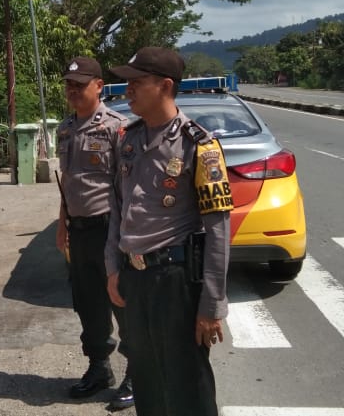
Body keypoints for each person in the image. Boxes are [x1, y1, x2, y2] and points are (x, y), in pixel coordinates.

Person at [104, 47, 233, 416]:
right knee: (146, 379)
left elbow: (218, 230)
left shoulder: (199, 145)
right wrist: (113, 266)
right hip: (134, 278)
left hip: (175, 282)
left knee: (186, 384)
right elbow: (117, 208)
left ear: (164, 86)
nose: (127, 89)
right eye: (127, 81)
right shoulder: (127, 139)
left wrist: (211, 305)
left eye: (136, 82)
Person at [55, 56, 134, 410]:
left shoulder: (118, 128)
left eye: (80, 85)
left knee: (123, 302)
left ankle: (138, 372)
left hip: (109, 229)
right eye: (69, 85)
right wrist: (62, 225)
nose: (73, 91)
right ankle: (99, 367)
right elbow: (67, 183)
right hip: (79, 229)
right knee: (87, 303)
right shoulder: (65, 129)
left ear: (99, 86)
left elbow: (127, 188)